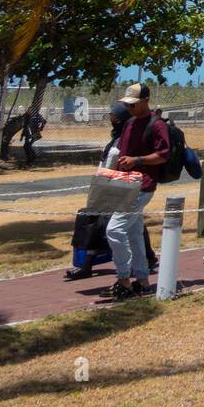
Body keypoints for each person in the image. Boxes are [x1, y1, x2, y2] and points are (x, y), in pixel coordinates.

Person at [65, 103, 156, 281]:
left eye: (114, 117)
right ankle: (89, 265)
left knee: (113, 226)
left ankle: (124, 274)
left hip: (120, 188)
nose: (111, 120)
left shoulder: (128, 138)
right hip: (110, 186)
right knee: (125, 225)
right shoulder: (117, 137)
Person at [106, 83, 169, 299]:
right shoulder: (130, 123)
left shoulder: (157, 124)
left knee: (114, 230)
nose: (130, 108)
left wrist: (137, 160)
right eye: (127, 104)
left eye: (134, 104)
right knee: (134, 234)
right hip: (124, 184)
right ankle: (142, 280)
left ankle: (123, 278)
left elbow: (163, 155)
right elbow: (122, 153)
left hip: (143, 186)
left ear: (146, 100)